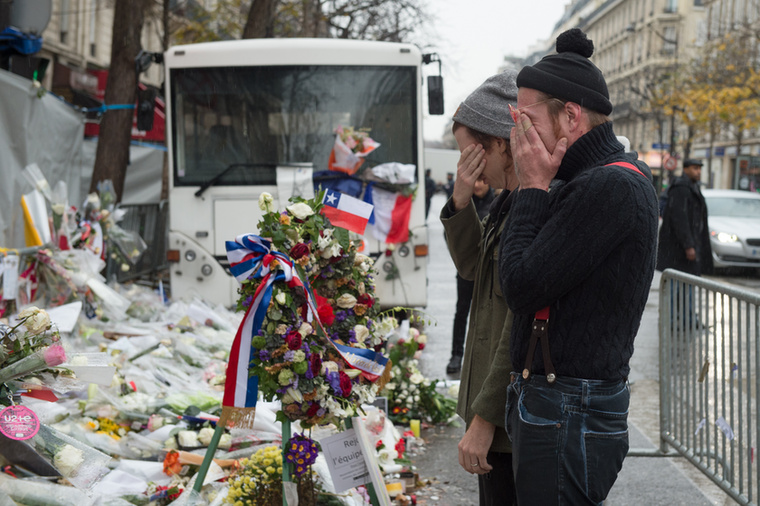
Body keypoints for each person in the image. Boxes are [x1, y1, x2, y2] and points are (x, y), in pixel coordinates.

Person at [499, 28, 658, 505]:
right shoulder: (587, 180)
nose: (517, 135)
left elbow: (521, 285)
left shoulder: (608, 187)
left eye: (525, 120)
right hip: (561, 402)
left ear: (570, 116)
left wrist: (529, 188)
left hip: (570, 408)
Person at [440, 70, 520, 506]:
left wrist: (485, 416)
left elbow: (518, 319)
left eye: (471, 154)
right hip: (494, 411)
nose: (468, 166)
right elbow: (473, 266)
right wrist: (460, 201)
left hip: (506, 418)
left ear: (499, 144)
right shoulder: (509, 198)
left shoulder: (531, 200)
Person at [446, 178, 494, 374]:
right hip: (466, 271)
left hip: (490, 272)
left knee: (490, 314)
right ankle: (457, 354)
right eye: (475, 181)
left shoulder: (498, 203)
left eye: (483, 181)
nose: (478, 185)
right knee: (462, 312)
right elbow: (451, 233)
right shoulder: (464, 203)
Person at [656, 158, 713, 276]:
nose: (699, 172)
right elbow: (680, 219)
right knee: (679, 285)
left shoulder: (693, 188)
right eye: (695, 168)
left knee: (685, 284)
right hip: (678, 251)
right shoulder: (681, 188)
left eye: (700, 169)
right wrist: (688, 245)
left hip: (686, 247)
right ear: (685, 169)